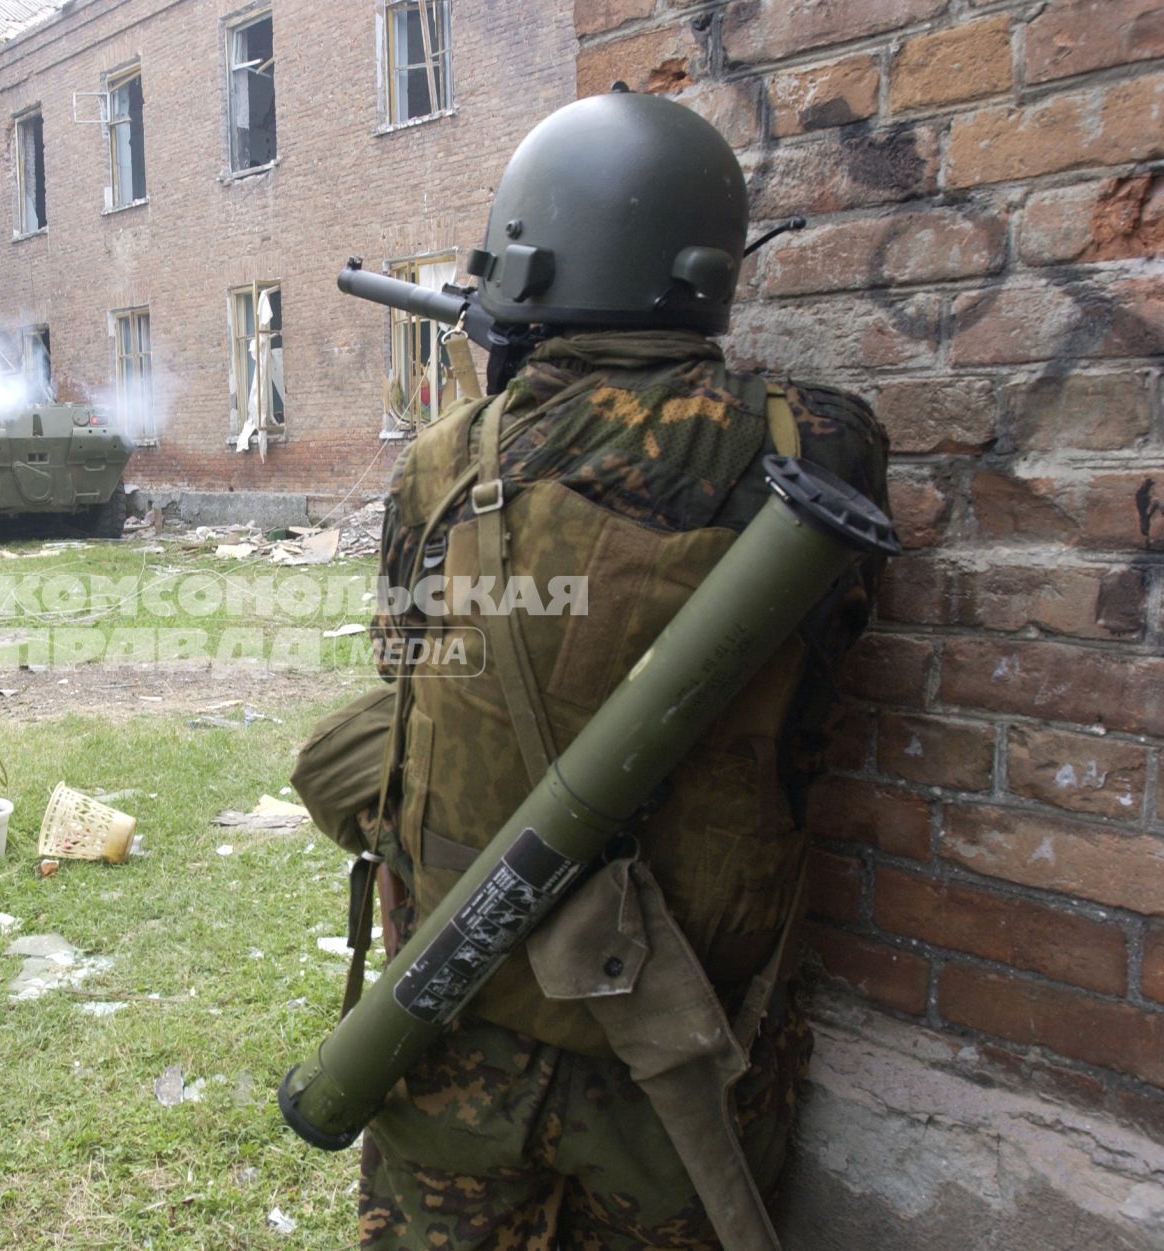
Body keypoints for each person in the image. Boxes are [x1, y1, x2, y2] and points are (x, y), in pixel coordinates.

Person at [312, 91, 889, 1251]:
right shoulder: (825, 447)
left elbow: (409, 669)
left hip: (454, 1023)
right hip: (690, 1048)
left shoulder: (443, 466)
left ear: (524, 260)